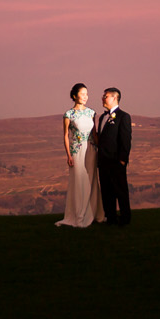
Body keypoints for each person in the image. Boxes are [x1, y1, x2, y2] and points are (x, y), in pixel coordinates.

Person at [56, 82, 102, 227]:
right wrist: (68, 155)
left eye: (87, 94)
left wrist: (101, 149)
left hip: (91, 151)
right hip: (77, 151)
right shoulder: (68, 114)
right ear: (75, 96)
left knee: (92, 180)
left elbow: (94, 135)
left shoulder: (91, 113)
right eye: (82, 94)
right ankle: (79, 215)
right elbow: (65, 136)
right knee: (78, 181)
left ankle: (95, 213)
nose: (85, 97)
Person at [94, 87, 132, 227]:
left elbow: (126, 140)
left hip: (116, 162)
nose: (103, 98)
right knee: (106, 191)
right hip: (103, 162)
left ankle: (125, 219)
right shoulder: (103, 117)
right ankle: (110, 218)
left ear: (115, 98)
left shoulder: (123, 116)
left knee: (120, 191)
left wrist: (122, 160)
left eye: (106, 96)